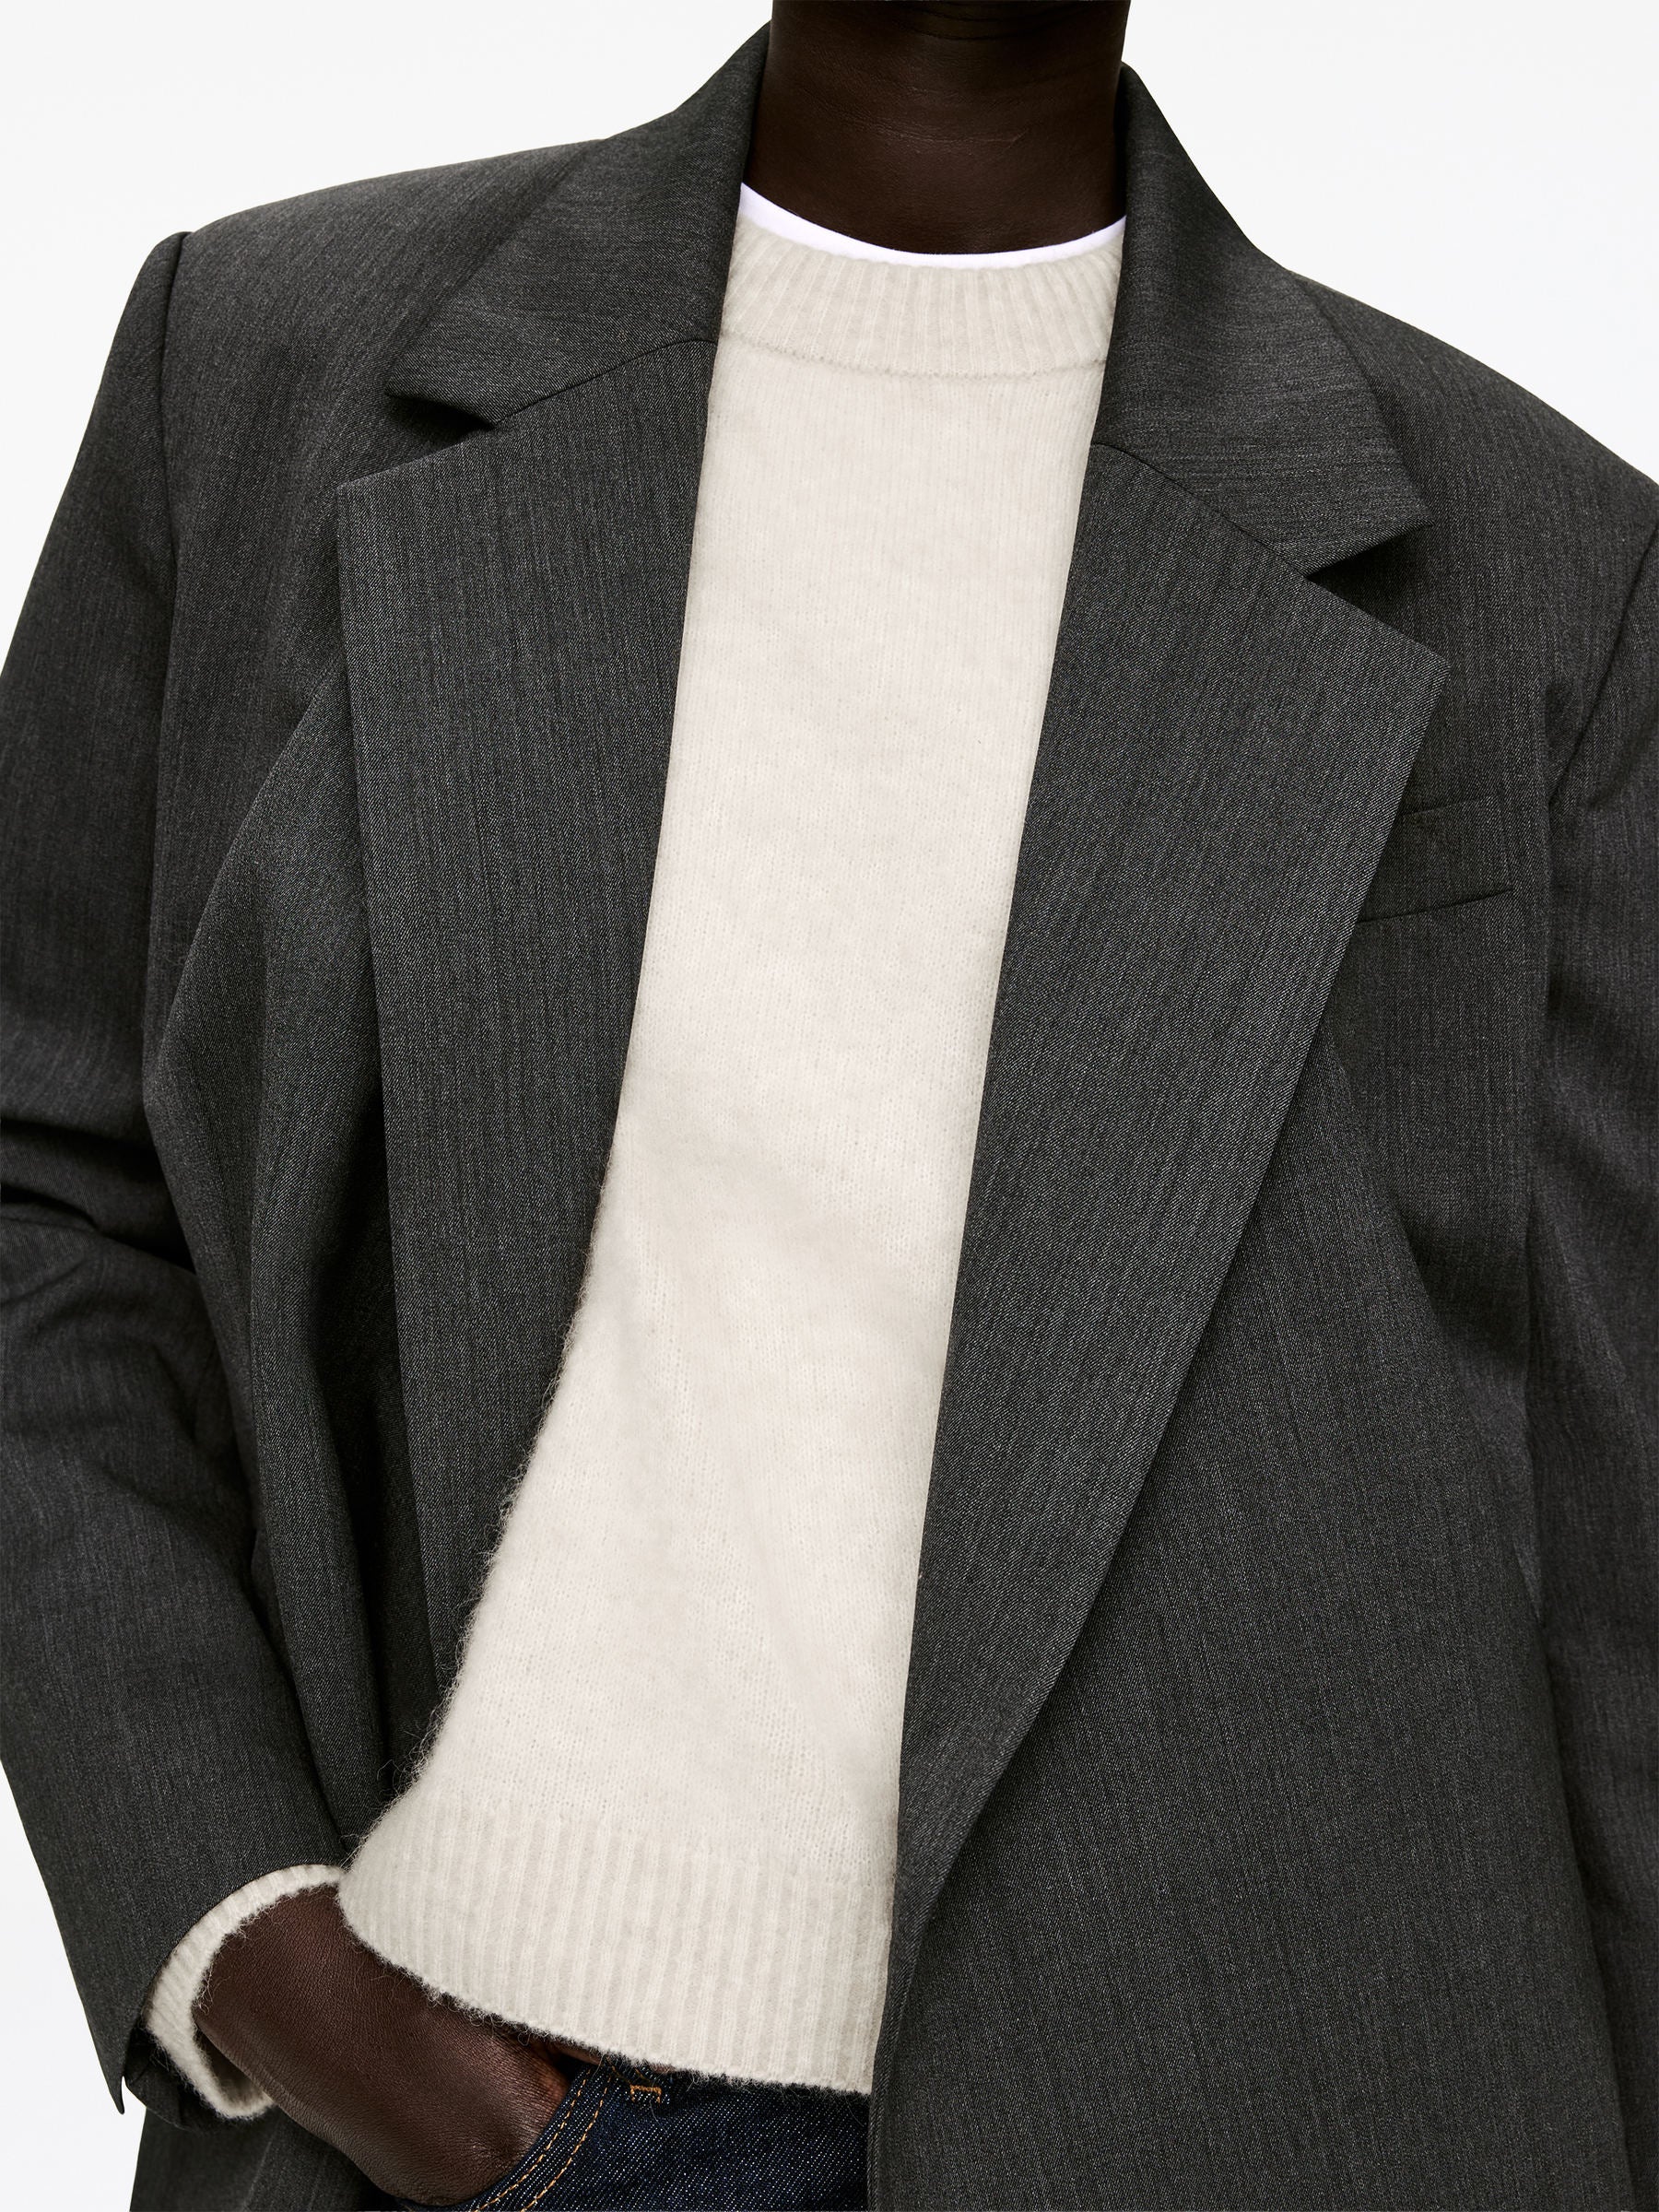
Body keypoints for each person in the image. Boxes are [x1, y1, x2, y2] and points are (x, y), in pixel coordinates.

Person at [2, 4, 1654, 2207]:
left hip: (1283, 2096)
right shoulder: (263, 367)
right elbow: (43, 1200)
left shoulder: (1545, 563)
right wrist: (244, 1931)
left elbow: (1621, 1528)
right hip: (464, 2110)